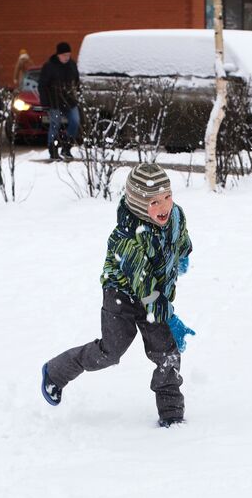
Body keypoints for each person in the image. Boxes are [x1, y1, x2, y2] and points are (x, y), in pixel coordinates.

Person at [41, 163, 193, 427]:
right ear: (137, 204)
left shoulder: (175, 216)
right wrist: (170, 318)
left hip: (154, 293)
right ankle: (56, 371)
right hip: (121, 294)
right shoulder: (126, 239)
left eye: (167, 197)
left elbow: (181, 238)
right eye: (154, 201)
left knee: (166, 351)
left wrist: (182, 256)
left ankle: (171, 413)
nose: (164, 206)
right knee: (110, 352)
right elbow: (145, 288)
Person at [37, 41, 81, 160]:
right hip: (54, 101)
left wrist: (78, 94)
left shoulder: (72, 65)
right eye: (64, 55)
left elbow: (77, 81)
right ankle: (53, 148)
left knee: (75, 121)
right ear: (58, 55)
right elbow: (42, 85)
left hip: (70, 100)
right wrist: (45, 102)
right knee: (55, 124)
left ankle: (66, 147)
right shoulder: (49, 66)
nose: (66, 57)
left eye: (68, 55)